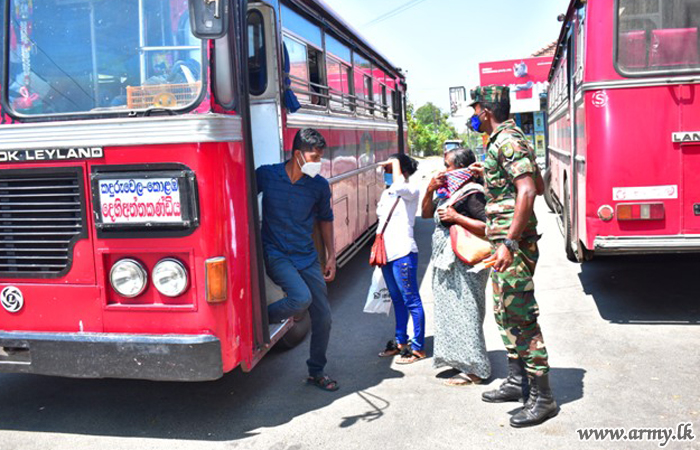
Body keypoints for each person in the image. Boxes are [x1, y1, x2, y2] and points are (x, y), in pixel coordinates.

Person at [467, 85, 557, 427]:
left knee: (520, 316)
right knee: (504, 312)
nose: (474, 116)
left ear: (486, 111)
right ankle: (518, 381)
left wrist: (508, 241)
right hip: (507, 242)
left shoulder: (507, 141)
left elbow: (530, 189)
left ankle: (543, 397)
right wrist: (491, 178)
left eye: (476, 110)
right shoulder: (505, 141)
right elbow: (535, 182)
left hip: (512, 245)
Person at [256, 128, 338, 392]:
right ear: (297, 154)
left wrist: (331, 256)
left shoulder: (318, 186)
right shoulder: (267, 175)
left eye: (320, 157)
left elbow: (326, 220)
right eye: (314, 156)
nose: (318, 162)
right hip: (276, 253)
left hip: (305, 255)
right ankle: (259, 320)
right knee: (301, 299)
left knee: (323, 316)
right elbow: (238, 196)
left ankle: (316, 371)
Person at [421, 148, 491, 386]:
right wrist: (430, 189)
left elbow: (488, 227)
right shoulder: (448, 191)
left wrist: (456, 217)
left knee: (467, 311)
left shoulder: (473, 192)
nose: (444, 171)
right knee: (450, 312)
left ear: (462, 168)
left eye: (448, 166)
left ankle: (476, 370)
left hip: (465, 263)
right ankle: (459, 360)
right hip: (445, 261)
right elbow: (425, 214)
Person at [376, 154, 426, 364]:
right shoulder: (388, 193)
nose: (385, 173)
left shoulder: (410, 190)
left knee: (411, 300)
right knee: (397, 300)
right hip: (387, 254)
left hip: (403, 252)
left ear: (401, 170)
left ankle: (418, 347)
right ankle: (400, 341)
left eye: (389, 169)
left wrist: (394, 162)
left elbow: (398, 187)